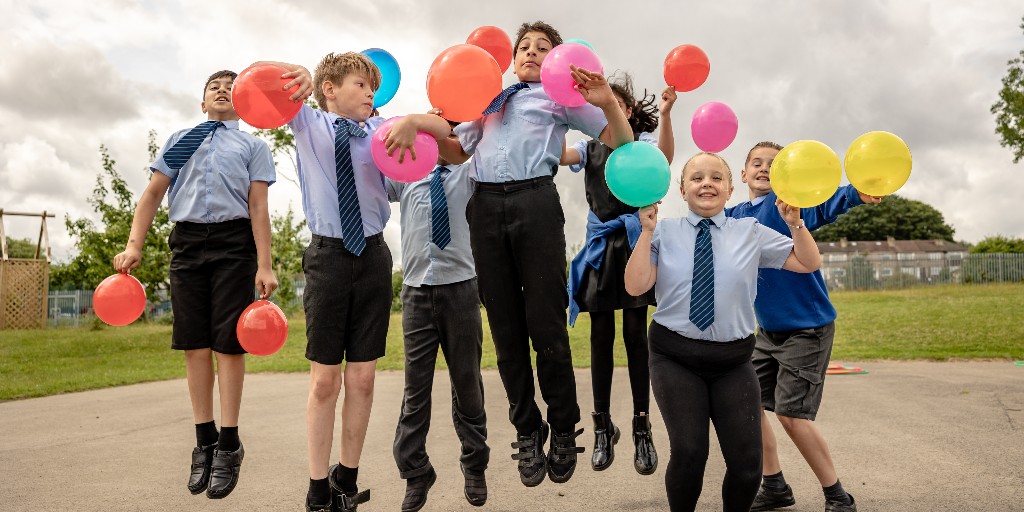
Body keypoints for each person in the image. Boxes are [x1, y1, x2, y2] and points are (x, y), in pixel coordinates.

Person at [435, 20, 633, 487]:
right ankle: (528, 429)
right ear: (511, 57)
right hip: (484, 207)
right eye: (525, 46)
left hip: (535, 202)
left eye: (543, 48)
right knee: (504, 328)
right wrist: (422, 131)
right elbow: (456, 152)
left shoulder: (560, 98)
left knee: (545, 323)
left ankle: (564, 426)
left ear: (557, 62)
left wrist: (604, 99)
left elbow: (620, 141)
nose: (531, 52)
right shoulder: (486, 100)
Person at [261, 54, 450, 512]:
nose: (370, 93)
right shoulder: (309, 124)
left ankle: (347, 479)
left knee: (362, 379)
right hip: (327, 257)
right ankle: (317, 488)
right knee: (325, 381)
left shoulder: (382, 130)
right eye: (361, 84)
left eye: (372, 87)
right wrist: (299, 77)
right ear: (330, 88)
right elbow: (267, 90)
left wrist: (414, 121)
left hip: (373, 257)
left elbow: (444, 131)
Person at [112, 69, 278, 500]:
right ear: (202, 102)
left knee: (228, 343)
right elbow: (151, 196)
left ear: (243, 103)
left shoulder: (253, 146)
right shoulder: (179, 140)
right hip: (186, 244)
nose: (223, 91)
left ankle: (228, 443)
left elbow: (258, 207)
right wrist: (134, 247)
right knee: (194, 344)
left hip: (234, 245)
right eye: (214, 88)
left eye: (231, 88)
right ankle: (203, 440)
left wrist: (265, 264)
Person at [624, 152, 822, 512]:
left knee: (748, 466)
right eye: (697, 178)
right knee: (689, 452)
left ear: (730, 189)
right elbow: (636, 286)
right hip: (675, 356)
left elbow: (808, 262)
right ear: (682, 190)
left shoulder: (750, 232)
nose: (707, 184)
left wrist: (796, 223)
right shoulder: (663, 230)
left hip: (732, 360)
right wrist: (646, 231)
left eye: (716, 178)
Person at [725, 141, 881, 512]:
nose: (764, 168)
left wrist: (857, 193)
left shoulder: (789, 206)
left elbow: (829, 202)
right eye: (756, 163)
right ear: (743, 173)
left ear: (786, 175)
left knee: (791, 415)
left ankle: (837, 496)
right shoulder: (731, 217)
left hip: (807, 327)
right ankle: (775, 485)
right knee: (747, 404)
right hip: (767, 331)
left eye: (773, 164)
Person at [562, 73, 676, 475]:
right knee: (600, 337)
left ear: (628, 112)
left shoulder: (642, 145)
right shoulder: (587, 146)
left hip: (634, 243)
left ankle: (641, 426)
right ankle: (601, 425)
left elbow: (663, 156)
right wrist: (551, 114)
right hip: (600, 246)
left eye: (616, 103)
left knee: (633, 336)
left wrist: (665, 115)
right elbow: (559, 156)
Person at [386, 123, 489, 512]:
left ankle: (474, 464)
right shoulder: (410, 173)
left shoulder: (470, 169)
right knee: (416, 391)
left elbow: (479, 139)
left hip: (461, 289)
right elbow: (376, 176)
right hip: (415, 292)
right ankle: (415, 472)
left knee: (467, 383)